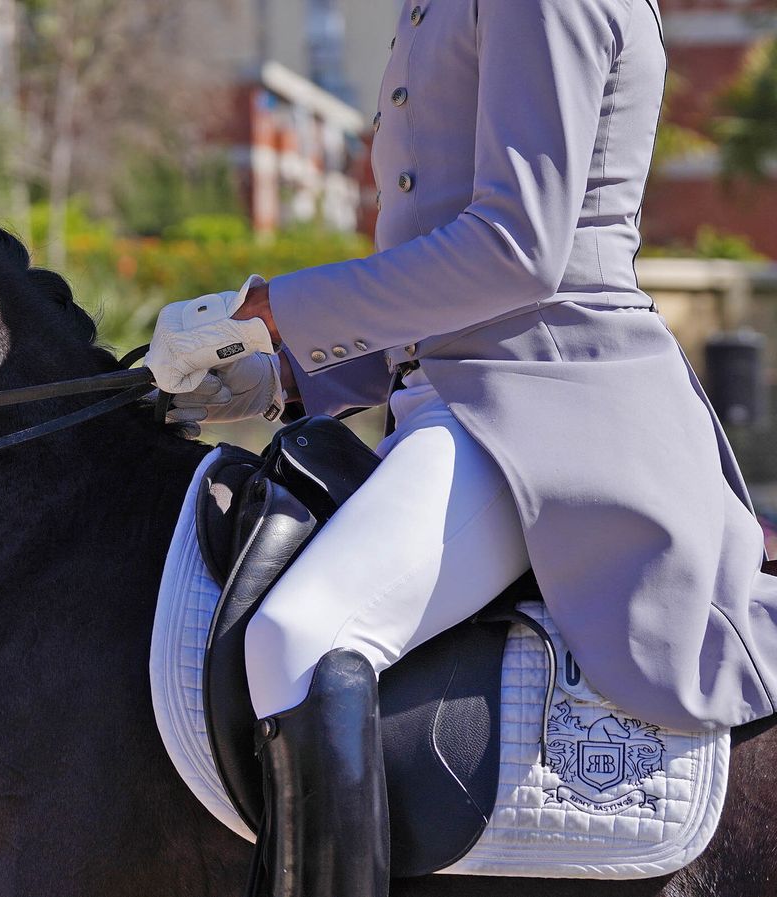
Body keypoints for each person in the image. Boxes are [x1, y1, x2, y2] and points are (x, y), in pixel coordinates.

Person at [145, 0, 777, 894]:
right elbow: (441, 291)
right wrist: (280, 375)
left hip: (545, 410)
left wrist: (275, 311)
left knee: (303, 639)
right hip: (469, 398)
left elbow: (518, 251)